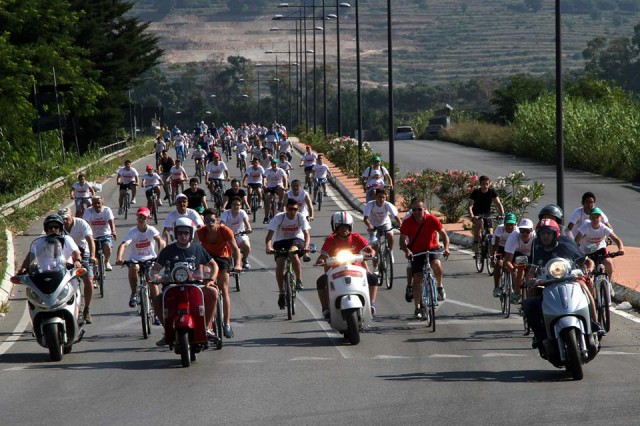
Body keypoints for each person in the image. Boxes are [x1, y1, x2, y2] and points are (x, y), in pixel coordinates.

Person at [523, 218, 602, 349]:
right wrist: (529, 280)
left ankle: (594, 323)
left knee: (585, 289)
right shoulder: (536, 246)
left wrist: (588, 270)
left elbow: (588, 261)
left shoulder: (566, 243)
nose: (545, 236)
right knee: (528, 303)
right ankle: (540, 335)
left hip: (570, 278)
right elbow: (532, 269)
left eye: (548, 233)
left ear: (555, 234)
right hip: (546, 281)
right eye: (542, 233)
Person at [149, 217, 220, 346]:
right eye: (180, 233)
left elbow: (214, 265)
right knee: (157, 300)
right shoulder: (168, 250)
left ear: (191, 233)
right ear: (175, 234)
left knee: (213, 293)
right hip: (172, 286)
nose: (183, 236)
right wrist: (156, 278)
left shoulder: (198, 249)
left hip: (195, 285)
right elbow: (155, 269)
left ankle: (206, 327)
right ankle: (168, 331)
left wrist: (211, 279)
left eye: (186, 233)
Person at [314, 211, 379, 318]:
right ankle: (325, 308)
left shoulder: (356, 237)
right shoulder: (330, 239)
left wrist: (371, 253)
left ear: (350, 227)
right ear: (335, 228)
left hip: (356, 268)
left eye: (346, 227)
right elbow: (322, 256)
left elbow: (369, 249)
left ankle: (371, 304)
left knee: (373, 279)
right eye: (340, 227)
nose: (344, 230)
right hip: (335, 269)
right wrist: (321, 260)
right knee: (320, 282)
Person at [400, 199, 451, 319]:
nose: (416, 212)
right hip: (416, 251)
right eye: (414, 210)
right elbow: (402, 241)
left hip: (431, 249)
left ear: (424, 209)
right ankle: (417, 308)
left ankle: (439, 286)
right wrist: (407, 250)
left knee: (437, 265)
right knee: (417, 278)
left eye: (419, 209)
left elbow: (444, 235)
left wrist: (447, 248)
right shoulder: (407, 222)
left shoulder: (432, 219)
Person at [197, 209, 243, 338]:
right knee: (206, 287)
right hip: (207, 259)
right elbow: (194, 251)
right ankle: (209, 325)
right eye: (207, 221)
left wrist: (238, 264)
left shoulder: (225, 230)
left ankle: (226, 323)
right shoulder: (200, 232)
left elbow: (235, 249)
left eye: (212, 220)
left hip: (223, 258)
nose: (210, 223)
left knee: (224, 289)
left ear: (217, 220)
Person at [115, 207, 165, 310]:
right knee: (133, 267)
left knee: (151, 280)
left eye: (144, 217)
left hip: (150, 259)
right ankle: (134, 294)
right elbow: (124, 244)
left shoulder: (151, 230)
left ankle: (157, 309)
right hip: (136, 259)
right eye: (139, 217)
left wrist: (160, 255)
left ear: (148, 219)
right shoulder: (133, 231)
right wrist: (119, 258)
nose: (141, 219)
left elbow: (160, 241)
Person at [265, 198, 311, 309]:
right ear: (287, 209)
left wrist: (306, 246)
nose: (293, 211)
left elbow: (307, 235)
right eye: (290, 209)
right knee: (280, 263)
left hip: (296, 239)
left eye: (295, 209)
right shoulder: (279, 217)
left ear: (298, 209)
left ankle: (299, 280)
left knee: (292, 253)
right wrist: (268, 247)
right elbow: (269, 236)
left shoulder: (301, 217)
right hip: (281, 241)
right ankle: (281, 292)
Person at [58, 208, 95, 323]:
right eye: (62, 219)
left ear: (71, 216)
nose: (65, 221)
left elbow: (90, 240)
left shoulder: (81, 223)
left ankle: (87, 309)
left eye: (66, 218)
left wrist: (92, 256)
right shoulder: (58, 227)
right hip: (67, 255)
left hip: (82, 252)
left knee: (88, 280)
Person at [17, 214, 83, 276]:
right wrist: (24, 268)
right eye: (50, 227)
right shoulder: (39, 242)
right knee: (30, 287)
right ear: (46, 229)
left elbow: (76, 252)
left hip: (65, 276)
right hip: (43, 277)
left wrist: (77, 261)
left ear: (60, 228)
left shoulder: (67, 239)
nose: (53, 229)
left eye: (56, 227)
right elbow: (30, 257)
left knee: (73, 286)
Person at [574, 207, 624, 279]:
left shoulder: (603, 228)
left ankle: (609, 284)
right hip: (586, 251)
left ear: (601, 218)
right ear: (590, 218)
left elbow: (617, 239)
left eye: (597, 217)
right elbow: (576, 241)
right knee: (589, 270)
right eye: (593, 217)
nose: (595, 219)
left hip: (600, 249)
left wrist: (621, 248)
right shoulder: (585, 227)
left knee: (608, 262)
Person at [363, 188, 402, 274]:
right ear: (375, 197)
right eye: (379, 197)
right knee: (375, 247)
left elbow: (396, 216)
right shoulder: (370, 205)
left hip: (385, 223)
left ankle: (389, 252)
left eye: (383, 197)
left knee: (390, 234)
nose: (381, 199)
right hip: (373, 226)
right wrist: (369, 226)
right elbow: (365, 218)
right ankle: (375, 268)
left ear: (386, 197)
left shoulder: (387, 205)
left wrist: (401, 225)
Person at [468, 175, 505, 253]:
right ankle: (476, 241)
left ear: (489, 184)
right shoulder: (476, 192)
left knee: (490, 232)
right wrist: (472, 216)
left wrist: (502, 214)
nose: (485, 186)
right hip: (477, 214)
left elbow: (499, 204)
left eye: (487, 184)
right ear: (480, 184)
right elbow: (470, 206)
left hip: (487, 214)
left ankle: (490, 252)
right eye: (483, 184)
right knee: (480, 222)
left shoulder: (492, 192)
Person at [503, 218, 536, 301]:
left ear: (532, 230)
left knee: (532, 274)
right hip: (517, 254)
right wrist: (513, 271)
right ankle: (517, 292)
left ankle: (531, 296)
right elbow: (507, 261)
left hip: (531, 255)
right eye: (522, 230)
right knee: (520, 270)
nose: (524, 233)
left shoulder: (536, 237)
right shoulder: (514, 236)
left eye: (527, 231)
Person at [83, 195, 117, 271]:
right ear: (92, 204)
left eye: (98, 203)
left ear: (102, 203)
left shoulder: (107, 210)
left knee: (107, 246)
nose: (97, 205)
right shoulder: (88, 211)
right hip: (93, 236)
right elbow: (86, 223)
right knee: (94, 256)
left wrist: (113, 231)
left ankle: (106, 261)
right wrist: (86, 235)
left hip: (105, 234)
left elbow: (111, 221)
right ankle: (95, 274)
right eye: (94, 203)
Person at [220, 196, 253, 269]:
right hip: (228, 235)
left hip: (240, 233)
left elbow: (246, 222)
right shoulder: (226, 213)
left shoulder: (242, 212)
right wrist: (221, 228)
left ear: (240, 206)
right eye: (234, 204)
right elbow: (222, 223)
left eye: (238, 205)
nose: (236, 206)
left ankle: (244, 260)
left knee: (246, 246)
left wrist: (249, 228)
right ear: (231, 205)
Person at [490, 212, 517, 297]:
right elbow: (496, 246)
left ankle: (514, 287)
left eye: (511, 225)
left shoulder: (517, 231)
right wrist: (494, 257)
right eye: (507, 224)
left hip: (512, 249)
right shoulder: (499, 228)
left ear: (515, 224)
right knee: (499, 264)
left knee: (515, 266)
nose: (509, 227)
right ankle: (496, 287)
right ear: (504, 224)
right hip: (500, 247)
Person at [263, 159, 288, 224]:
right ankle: (266, 217)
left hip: (278, 186)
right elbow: (264, 178)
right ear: (271, 164)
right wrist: (264, 185)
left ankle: (280, 202)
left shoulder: (281, 170)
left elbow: (285, 178)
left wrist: (285, 186)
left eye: (275, 164)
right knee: (267, 199)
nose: (274, 165)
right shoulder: (268, 170)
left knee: (282, 191)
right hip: (270, 187)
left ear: (277, 164)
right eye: (273, 163)